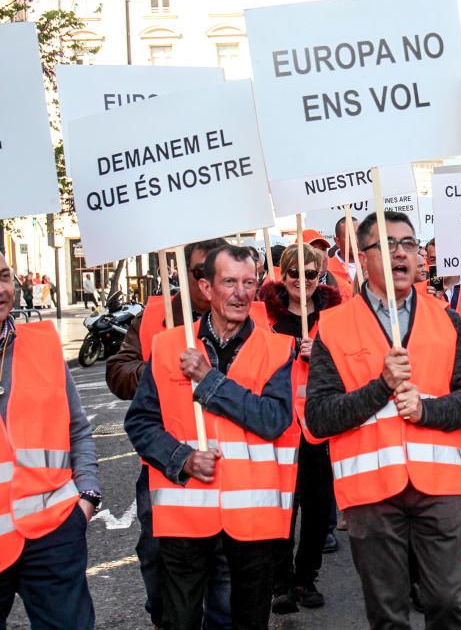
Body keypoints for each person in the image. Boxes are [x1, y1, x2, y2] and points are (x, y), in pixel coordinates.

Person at [304, 211, 461, 628]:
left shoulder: (446, 317)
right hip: (371, 495)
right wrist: (380, 386)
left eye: (409, 243)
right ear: (364, 258)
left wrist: (428, 410)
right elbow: (318, 418)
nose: (402, 253)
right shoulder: (332, 326)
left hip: (440, 488)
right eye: (388, 245)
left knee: (446, 603)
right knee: (388, 616)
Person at [124, 244, 297, 629]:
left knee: (245, 622)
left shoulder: (277, 349)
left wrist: (209, 380)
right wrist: (181, 459)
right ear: (205, 287)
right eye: (230, 282)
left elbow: (273, 419)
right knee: (179, 621)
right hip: (184, 518)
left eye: (249, 282)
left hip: (253, 521)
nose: (241, 293)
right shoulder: (169, 346)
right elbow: (140, 423)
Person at [106, 238, 232, 630]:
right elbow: (119, 372)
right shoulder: (156, 314)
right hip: (167, 466)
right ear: (182, 272)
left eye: (218, 272)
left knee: (227, 571)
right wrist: (157, 367)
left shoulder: (246, 313)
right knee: (158, 557)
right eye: (200, 272)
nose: (210, 282)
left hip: (230, 465)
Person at [0, 251, 100, 628]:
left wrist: (87, 496)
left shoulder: (41, 343)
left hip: (53, 533)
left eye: (5, 276)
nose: (1, 289)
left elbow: (78, 428)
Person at [259, 244, 341, 614]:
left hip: (319, 425)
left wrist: (320, 354)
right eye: (296, 274)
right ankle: (281, 582)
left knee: (319, 506)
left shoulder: (335, 314)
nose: (303, 281)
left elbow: (352, 362)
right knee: (282, 508)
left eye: (311, 274)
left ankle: (306, 578)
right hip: (279, 424)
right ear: (284, 274)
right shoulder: (267, 317)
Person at [327, 216, 360, 298]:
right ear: (337, 241)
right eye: (350, 237)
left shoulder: (374, 265)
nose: (356, 241)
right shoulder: (327, 270)